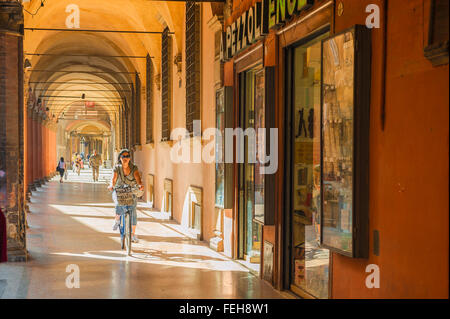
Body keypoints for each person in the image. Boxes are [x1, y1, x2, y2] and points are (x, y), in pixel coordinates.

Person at [108, 149, 144, 243]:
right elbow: (114, 178)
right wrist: (112, 185)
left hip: (131, 190)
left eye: (127, 156)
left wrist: (140, 185)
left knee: (133, 211)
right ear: (120, 158)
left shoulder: (133, 168)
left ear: (129, 158)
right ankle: (117, 220)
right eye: (123, 156)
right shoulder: (117, 168)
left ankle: (133, 235)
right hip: (119, 189)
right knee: (118, 204)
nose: (125, 158)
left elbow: (137, 178)